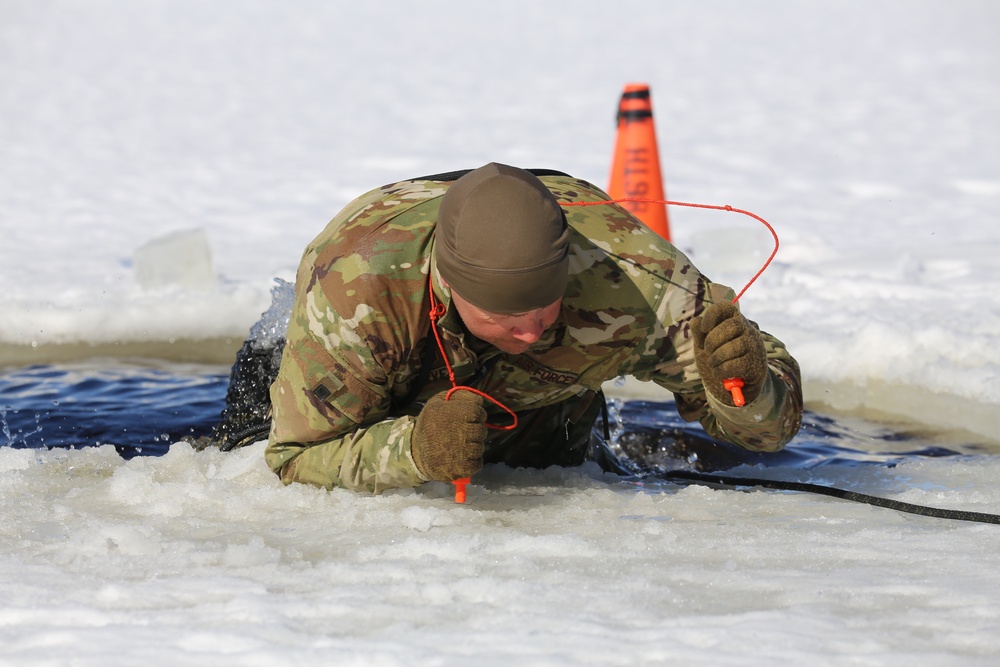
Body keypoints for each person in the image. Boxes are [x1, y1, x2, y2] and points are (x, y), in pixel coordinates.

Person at [220, 163, 802, 494]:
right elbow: (293, 457)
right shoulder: (358, 291)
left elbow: (770, 432)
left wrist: (747, 391)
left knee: (559, 469)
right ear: (451, 287)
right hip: (351, 377)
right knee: (243, 460)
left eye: (544, 314)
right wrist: (414, 451)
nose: (527, 333)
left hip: (540, 411)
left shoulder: (632, 281)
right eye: (501, 316)